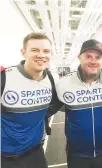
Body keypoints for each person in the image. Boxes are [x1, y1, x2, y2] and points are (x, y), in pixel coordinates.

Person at [46, 39, 102, 168]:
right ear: (79, 58)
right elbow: (45, 110)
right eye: (88, 56)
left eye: (98, 57)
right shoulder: (63, 84)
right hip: (77, 155)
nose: (93, 61)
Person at [1, 32, 57, 168]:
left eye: (46, 51)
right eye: (35, 50)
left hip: (37, 153)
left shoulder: (50, 79)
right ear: (23, 52)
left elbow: (55, 104)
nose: (41, 55)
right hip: (7, 158)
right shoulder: (5, 78)